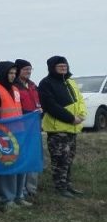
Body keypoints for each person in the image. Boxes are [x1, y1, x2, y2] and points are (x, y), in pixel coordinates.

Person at [38, 56, 86, 198]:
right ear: (52, 68)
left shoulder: (70, 81)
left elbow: (80, 99)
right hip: (58, 129)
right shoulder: (46, 83)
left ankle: (67, 185)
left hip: (72, 128)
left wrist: (82, 115)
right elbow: (51, 105)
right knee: (60, 160)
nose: (63, 68)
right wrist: (71, 118)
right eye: (60, 66)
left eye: (65, 65)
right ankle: (60, 188)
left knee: (69, 159)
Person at [0, 61, 27, 207]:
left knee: (21, 165)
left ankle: (19, 195)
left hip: (19, 132)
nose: (12, 76)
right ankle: (7, 198)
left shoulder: (15, 89)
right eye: (10, 73)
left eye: (14, 73)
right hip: (4, 134)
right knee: (9, 166)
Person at [14, 58, 42, 198]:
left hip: (35, 125)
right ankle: (22, 190)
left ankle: (31, 188)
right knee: (23, 156)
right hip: (22, 126)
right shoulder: (15, 86)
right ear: (18, 70)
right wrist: (29, 114)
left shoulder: (32, 85)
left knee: (34, 155)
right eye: (25, 69)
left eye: (30, 69)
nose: (28, 72)